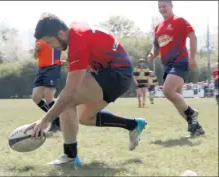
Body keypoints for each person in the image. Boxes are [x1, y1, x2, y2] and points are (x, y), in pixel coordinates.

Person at [25, 13, 147, 166]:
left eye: (50, 42)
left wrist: (45, 120)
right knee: (84, 117)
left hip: (115, 73)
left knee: (67, 101)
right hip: (116, 73)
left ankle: (70, 157)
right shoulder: (76, 31)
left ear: (61, 33)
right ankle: (133, 124)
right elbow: (94, 48)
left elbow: (69, 92)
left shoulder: (78, 43)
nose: (51, 47)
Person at [148, 1, 204, 136]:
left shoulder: (179, 21)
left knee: (167, 91)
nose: (162, 9)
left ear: (171, 6)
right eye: (159, 7)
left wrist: (192, 57)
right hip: (167, 65)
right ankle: (197, 129)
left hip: (180, 62)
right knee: (178, 100)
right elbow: (156, 45)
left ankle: (192, 113)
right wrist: (152, 53)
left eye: (164, 6)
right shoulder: (158, 27)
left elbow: (192, 36)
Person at [32, 39, 63, 132]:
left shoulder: (55, 36)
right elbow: (35, 57)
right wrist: (36, 50)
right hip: (41, 69)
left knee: (48, 95)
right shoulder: (38, 39)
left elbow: (62, 48)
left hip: (53, 67)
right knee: (36, 97)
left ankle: (55, 123)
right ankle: (58, 119)